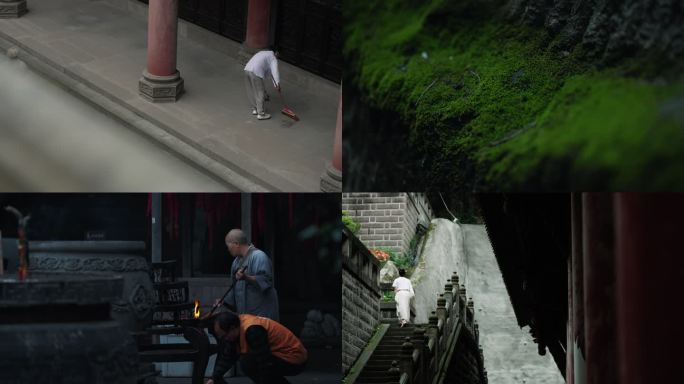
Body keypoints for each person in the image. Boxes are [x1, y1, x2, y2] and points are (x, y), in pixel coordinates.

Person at [206, 311, 308, 384]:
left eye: (224, 336)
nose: (225, 339)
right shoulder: (236, 328)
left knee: (248, 362)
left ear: (232, 328)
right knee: (249, 363)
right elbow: (228, 357)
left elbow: (265, 363)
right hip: (278, 357)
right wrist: (214, 378)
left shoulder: (253, 330)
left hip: (294, 358)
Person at [223, 229, 279, 321]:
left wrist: (246, 277)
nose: (228, 249)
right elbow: (234, 288)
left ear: (236, 244)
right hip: (245, 315)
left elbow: (266, 281)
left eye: (228, 246)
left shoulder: (259, 256)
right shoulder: (236, 262)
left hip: (261, 313)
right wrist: (224, 302)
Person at [244, 46, 281, 120]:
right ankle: (261, 113)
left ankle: (255, 109)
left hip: (247, 69)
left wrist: (273, 84)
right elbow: (275, 71)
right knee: (260, 92)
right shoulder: (273, 57)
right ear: (276, 52)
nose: (278, 56)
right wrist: (277, 84)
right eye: (279, 54)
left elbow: (268, 72)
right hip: (256, 72)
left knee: (251, 90)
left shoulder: (263, 53)